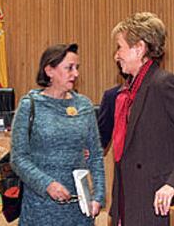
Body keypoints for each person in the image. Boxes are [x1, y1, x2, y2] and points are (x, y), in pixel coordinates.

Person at [110, 12, 174, 226]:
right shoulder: (131, 90)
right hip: (128, 203)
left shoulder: (163, 84)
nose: (116, 55)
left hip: (152, 203)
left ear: (138, 48)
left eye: (119, 47)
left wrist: (173, 184)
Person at [11, 43, 105, 226]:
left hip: (80, 210)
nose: (75, 73)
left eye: (77, 68)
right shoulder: (29, 105)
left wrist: (98, 196)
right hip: (40, 208)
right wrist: (48, 185)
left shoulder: (84, 106)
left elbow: (96, 155)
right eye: (69, 68)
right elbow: (18, 158)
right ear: (49, 70)